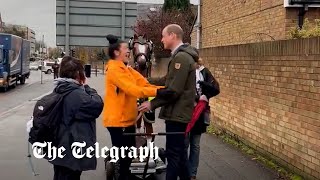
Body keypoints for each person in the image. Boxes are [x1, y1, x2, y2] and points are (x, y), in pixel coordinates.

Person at [102, 34, 175, 180]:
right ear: (116, 52)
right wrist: (159, 92)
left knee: (128, 157)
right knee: (123, 159)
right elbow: (132, 89)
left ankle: (126, 176)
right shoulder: (115, 70)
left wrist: (166, 88)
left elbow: (143, 83)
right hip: (118, 122)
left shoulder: (126, 69)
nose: (129, 51)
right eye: (125, 49)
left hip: (127, 121)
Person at [138, 24, 199, 180]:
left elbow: (173, 90)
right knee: (180, 156)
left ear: (173, 35)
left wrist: (151, 104)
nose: (162, 39)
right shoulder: (178, 56)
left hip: (177, 114)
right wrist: (144, 81)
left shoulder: (181, 58)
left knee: (173, 155)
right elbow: (166, 80)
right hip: (177, 113)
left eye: (164, 36)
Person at [50, 56, 104, 180]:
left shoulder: (59, 89)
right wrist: (88, 88)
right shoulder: (76, 94)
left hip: (59, 148)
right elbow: (97, 105)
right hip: (70, 152)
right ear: (78, 74)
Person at [187, 57, 220, 180]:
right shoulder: (185, 72)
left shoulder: (204, 72)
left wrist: (205, 93)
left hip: (199, 113)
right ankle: (185, 172)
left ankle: (192, 174)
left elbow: (216, 88)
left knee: (195, 145)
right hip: (185, 112)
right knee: (184, 145)